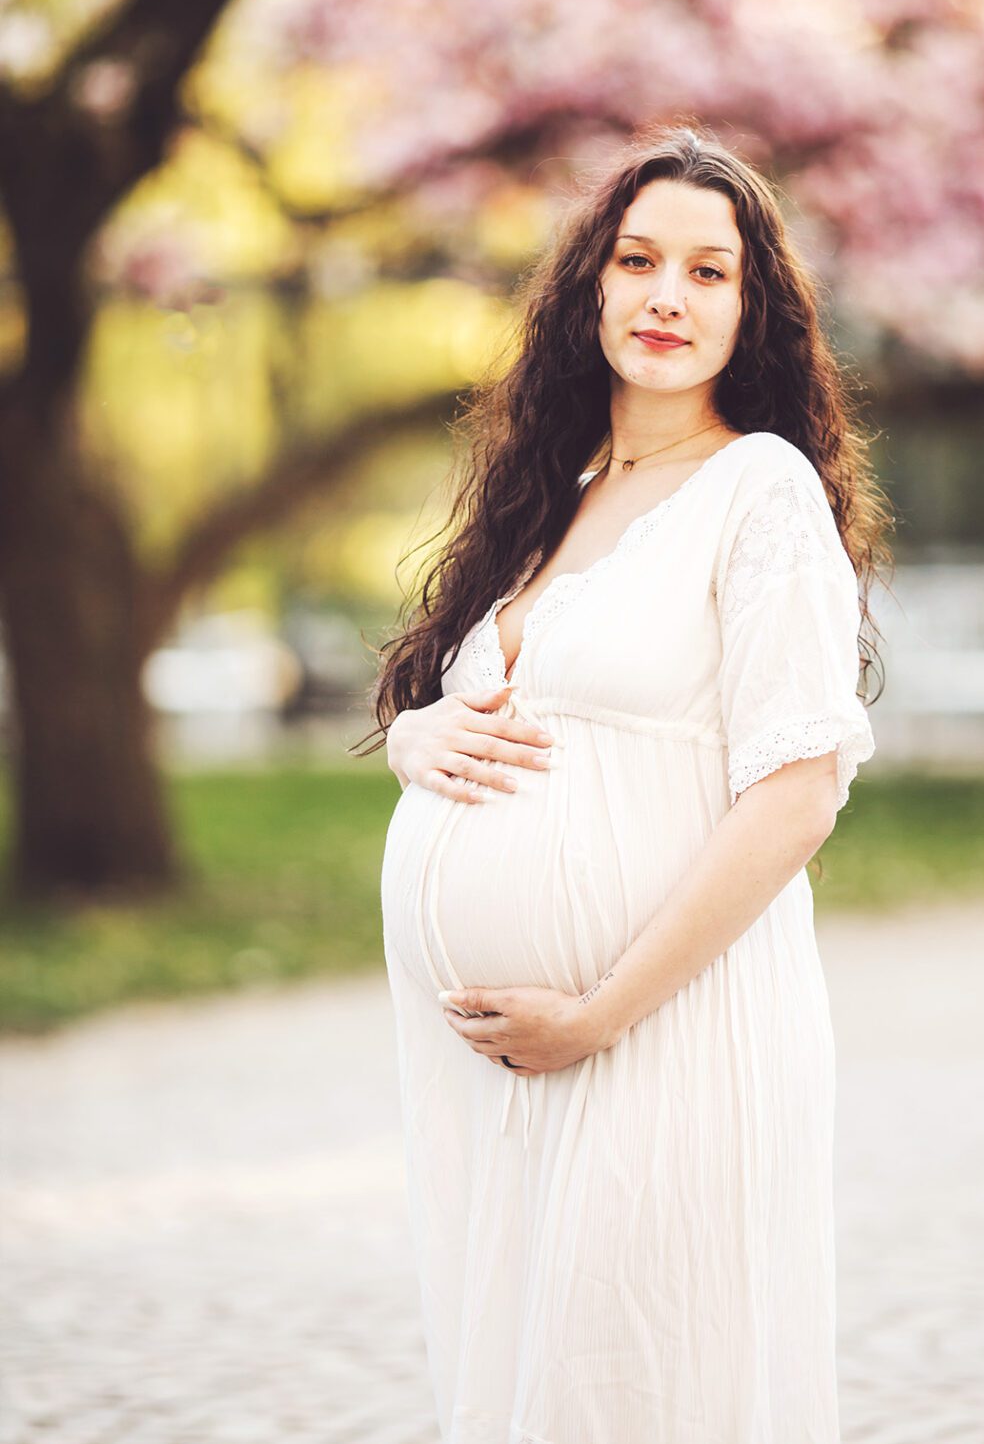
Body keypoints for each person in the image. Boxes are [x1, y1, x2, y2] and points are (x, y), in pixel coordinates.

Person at [361, 125, 888, 1439]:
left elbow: (797, 792)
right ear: (589, 284)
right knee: (532, 1390)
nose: (667, 295)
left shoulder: (760, 492)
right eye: (639, 258)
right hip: (500, 1069)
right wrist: (420, 739)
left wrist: (599, 1013)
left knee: (639, 1388)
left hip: (663, 1036)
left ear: (754, 309)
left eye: (711, 273)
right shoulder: (559, 490)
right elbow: (474, 703)